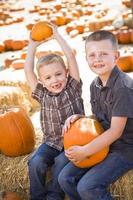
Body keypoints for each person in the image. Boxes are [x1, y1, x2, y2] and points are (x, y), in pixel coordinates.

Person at [58, 30, 133, 200]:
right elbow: (101, 119)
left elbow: (115, 131)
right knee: (65, 178)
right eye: (92, 55)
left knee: (88, 186)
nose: (97, 59)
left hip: (125, 148)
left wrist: (85, 150)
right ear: (86, 59)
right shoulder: (95, 85)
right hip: (104, 144)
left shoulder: (123, 88)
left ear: (116, 56)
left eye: (103, 54)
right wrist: (82, 119)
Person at [24, 23, 84, 200]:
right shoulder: (42, 93)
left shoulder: (73, 87)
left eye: (58, 74)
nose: (55, 80)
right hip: (50, 143)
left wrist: (57, 36)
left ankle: (54, 196)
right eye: (48, 77)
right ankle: (37, 196)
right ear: (41, 80)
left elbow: (71, 57)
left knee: (60, 163)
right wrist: (32, 45)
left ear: (66, 72)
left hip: (73, 143)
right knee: (35, 162)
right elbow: (28, 70)